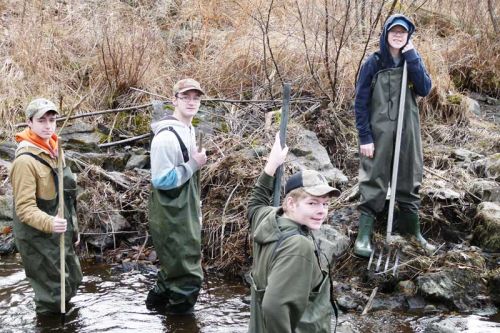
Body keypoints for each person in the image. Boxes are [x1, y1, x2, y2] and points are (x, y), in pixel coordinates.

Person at [353, 14, 435, 257]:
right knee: (373, 178)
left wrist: (412, 55)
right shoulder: (374, 62)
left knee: (410, 174)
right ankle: (364, 236)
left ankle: (412, 232)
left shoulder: (412, 61)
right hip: (378, 132)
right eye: (394, 31)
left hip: (407, 129)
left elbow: (425, 88)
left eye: (403, 32)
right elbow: (360, 102)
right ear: (386, 33)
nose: (398, 35)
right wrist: (365, 137)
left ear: (408, 36)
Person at [247, 133, 340, 332]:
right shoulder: (299, 246)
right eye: (312, 203)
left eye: (325, 204)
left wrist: (271, 166)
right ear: (290, 203)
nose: (321, 211)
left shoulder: (269, 218)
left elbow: (254, 205)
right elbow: (273, 307)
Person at [10, 98, 82, 314]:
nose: (48, 125)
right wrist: (51, 223)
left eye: (52, 119)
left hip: (61, 228)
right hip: (37, 235)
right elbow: (24, 209)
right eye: (42, 120)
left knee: (73, 280)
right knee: (52, 295)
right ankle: (48, 325)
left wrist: (73, 227)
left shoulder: (56, 148)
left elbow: (67, 195)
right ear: (29, 123)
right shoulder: (24, 161)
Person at [146, 78, 207, 314]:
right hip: (171, 214)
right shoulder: (165, 137)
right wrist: (193, 164)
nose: (192, 102)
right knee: (189, 278)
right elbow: (161, 180)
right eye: (185, 97)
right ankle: (178, 320)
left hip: (184, 210)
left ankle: (154, 308)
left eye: (196, 97)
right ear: (174, 100)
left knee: (175, 269)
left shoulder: (189, 129)